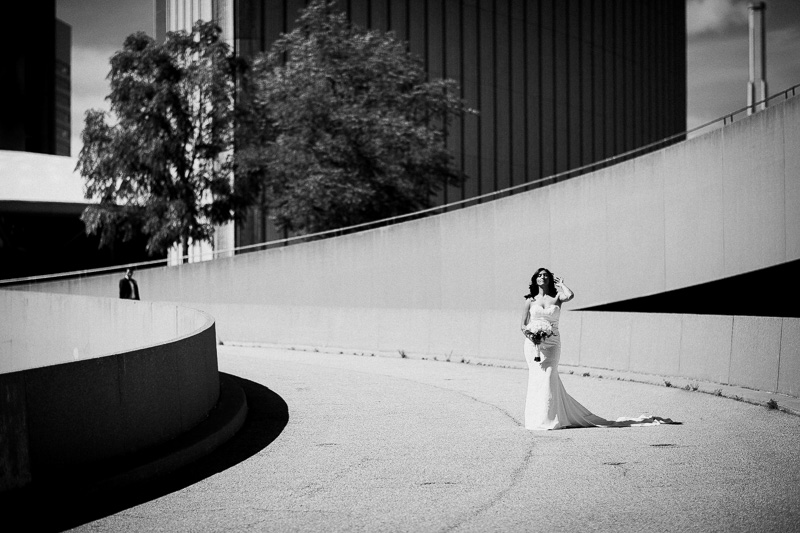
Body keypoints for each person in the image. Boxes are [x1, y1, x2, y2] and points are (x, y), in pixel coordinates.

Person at [521, 267, 674, 430]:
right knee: (537, 378)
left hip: (552, 343)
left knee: (550, 376)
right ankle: (537, 418)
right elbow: (523, 325)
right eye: (539, 275)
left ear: (549, 279)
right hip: (533, 345)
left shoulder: (557, 296)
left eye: (545, 275)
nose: (542, 277)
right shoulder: (530, 300)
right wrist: (532, 336)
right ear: (535, 280)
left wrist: (563, 285)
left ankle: (550, 419)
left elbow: (570, 296)